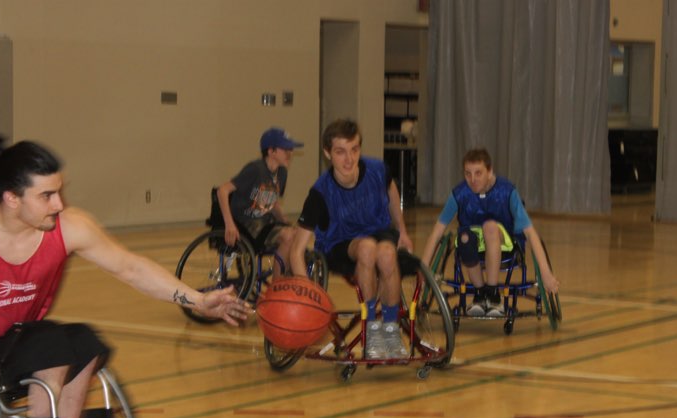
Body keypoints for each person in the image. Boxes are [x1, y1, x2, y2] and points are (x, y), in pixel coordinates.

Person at [0, 134, 251, 418]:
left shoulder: (70, 227)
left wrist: (197, 301)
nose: (59, 204)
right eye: (47, 196)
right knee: (50, 344)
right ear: (11, 199)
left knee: (84, 342)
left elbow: (131, 268)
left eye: (59, 192)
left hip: (14, 339)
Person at [290, 119, 413, 359]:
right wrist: (309, 295)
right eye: (340, 152)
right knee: (367, 248)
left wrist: (403, 230)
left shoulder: (377, 170)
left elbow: (391, 189)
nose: (349, 159)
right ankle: (372, 329)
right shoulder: (320, 193)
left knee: (387, 253)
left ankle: (390, 329)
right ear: (328, 153)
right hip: (339, 243)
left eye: (354, 150)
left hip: (378, 231)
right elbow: (296, 251)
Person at [420, 147, 560, 317]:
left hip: (504, 245)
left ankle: (493, 295)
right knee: (463, 237)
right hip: (471, 245)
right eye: (468, 174)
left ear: (490, 171)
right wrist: (423, 269)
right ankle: (480, 294)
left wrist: (546, 274)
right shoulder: (459, 194)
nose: (472, 179)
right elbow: (437, 232)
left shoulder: (507, 192)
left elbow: (531, 233)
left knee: (490, 227)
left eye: (478, 173)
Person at [216, 127, 303, 275]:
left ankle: (284, 276)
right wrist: (229, 224)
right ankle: (277, 285)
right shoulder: (255, 169)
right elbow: (222, 191)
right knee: (288, 236)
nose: (290, 153)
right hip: (247, 224)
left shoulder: (282, 173)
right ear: (271, 151)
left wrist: (284, 220)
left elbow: (273, 202)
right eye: (285, 149)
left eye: (291, 149)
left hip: (264, 224)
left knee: (296, 233)